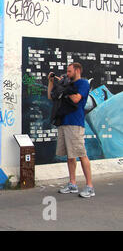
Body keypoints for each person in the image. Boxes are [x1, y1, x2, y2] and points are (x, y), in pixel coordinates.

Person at [47, 62, 94, 198]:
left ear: (77, 70)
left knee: (81, 153)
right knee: (70, 155)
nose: (67, 74)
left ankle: (89, 186)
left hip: (75, 123)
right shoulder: (67, 84)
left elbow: (76, 99)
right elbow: (51, 96)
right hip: (64, 122)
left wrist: (66, 87)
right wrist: (52, 82)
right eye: (67, 71)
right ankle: (72, 183)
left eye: (69, 71)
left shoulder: (83, 83)